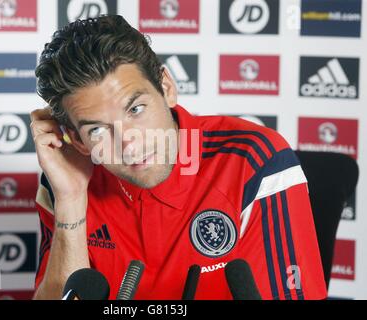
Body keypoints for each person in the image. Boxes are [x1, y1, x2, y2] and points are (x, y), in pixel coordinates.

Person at [31, 15, 327, 300]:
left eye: (136, 110)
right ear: (78, 140)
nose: (129, 145)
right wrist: (70, 199)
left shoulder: (253, 160)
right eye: (97, 130)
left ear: (167, 87)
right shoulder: (66, 178)